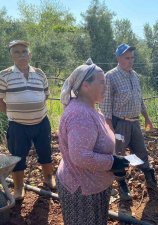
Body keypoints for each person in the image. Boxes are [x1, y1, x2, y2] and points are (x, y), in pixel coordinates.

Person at [57, 59, 129, 225]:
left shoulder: (89, 108)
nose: (106, 87)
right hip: (82, 190)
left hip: (92, 185)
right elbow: (81, 156)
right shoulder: (80, 114)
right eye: (102, 82)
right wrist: (112, 162)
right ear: (85, 85)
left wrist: (114, 159)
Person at [101, 43, 158, 201]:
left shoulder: (134, 75)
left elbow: (139, 100)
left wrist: (147, 118)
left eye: (132, 58)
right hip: (119, 123)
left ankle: (151, 181)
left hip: (134, 122)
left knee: (141, 151)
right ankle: (123, 188)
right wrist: (109, 128)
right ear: (118, 58)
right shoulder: (110, 76)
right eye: (127, 58)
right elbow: (106, 105)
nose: (131, 61)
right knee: (119, 154)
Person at [0, 40, 55, 200]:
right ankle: (18, 187)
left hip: (42, 122)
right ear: (11, 56)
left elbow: (45, 94)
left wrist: (35, 108)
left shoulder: (39, 73)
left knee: (46, 151)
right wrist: (13, 113)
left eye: (24, 51)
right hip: (18, 125)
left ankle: (48, 178)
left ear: (29, 54)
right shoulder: (4, 75)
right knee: (18, 156)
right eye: (16, 52)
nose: (21, 54)